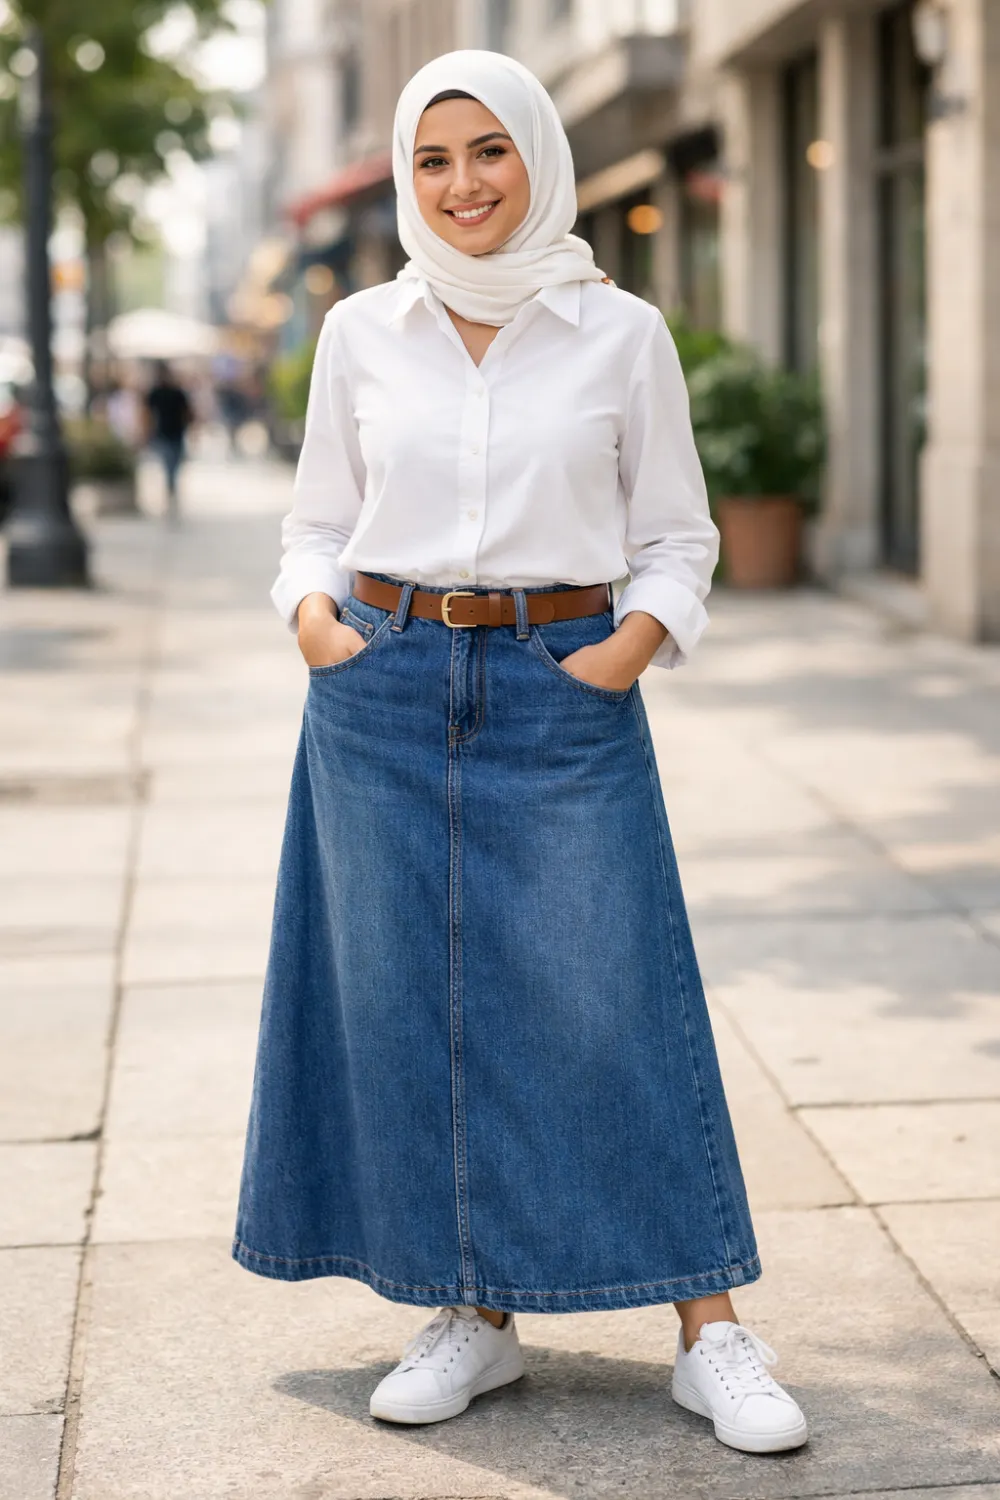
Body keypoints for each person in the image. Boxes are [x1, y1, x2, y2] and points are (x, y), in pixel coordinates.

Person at [233, 51, 808, 1456]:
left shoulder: (620, 333)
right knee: (409, 1008)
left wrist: (617, 657)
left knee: (616, 994)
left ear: (536, 158)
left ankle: (711, 1328)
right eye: (434, 160)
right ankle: (468, 1314)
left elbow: (677, 535)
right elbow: (317, 521)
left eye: (488, 151)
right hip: (382, 689)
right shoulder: (366, 330)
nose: (462, 184)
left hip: (562, 687)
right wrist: (317, 627)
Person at [144, 360, 193, 520]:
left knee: (173, 464)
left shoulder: (176, 392)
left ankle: (171, 488)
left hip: (174, 433)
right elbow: (146, 413)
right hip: (164, 434)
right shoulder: (155, 393)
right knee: (169, 464)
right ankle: (171, 489)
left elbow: (187, 412)